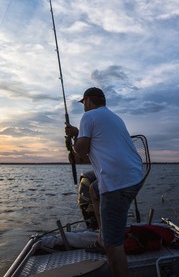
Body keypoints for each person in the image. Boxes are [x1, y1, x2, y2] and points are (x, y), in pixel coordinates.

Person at [65, 87, 143, 277]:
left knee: (113, 246)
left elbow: (81, 152)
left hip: (117, 183)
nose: (84, 107)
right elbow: (92, 149)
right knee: (93, 189)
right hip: (135, 177)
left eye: (84, 104)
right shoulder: (114, 118)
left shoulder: (88, 117)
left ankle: (107, 242)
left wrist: (74, 140)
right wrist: (77, 135)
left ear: (89, 102)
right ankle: (102, 238)